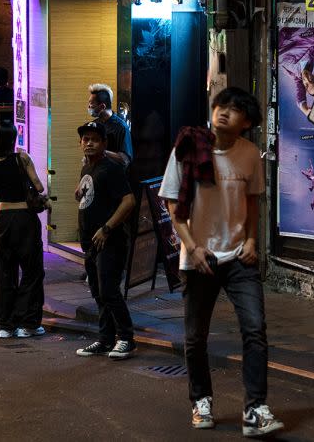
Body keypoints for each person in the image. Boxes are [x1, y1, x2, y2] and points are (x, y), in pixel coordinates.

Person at [159, 87, 283, 437]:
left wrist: (252, 240)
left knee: (255, 329)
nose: (224, 112)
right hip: (200, 257)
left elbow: (254, 201)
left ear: (247, 123)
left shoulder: (249, 155)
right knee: (196, 337)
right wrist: (193, 247)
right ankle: (201, 401)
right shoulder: (188, 148)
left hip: (238, 257)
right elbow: (172, 206)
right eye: (220, 106)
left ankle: (255, 410)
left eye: (234, 109)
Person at [74, 121, 137, 359]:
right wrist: (79, 193)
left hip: (110, 241)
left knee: (109, 290)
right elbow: (89, 195)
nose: (89, 143)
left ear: (104, 143)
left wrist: (107, 228)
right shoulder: (87, 168)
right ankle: (105, 338)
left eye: (94, 139)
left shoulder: (111, 167)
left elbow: (128, 201)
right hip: (91, 242)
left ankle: (126, 338)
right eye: (85, 139)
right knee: (98, 291)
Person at [0, 121, 47, 339]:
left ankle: (6, 326)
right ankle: (27, 322)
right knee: (32, 270)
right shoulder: (22, 158)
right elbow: (38, 187)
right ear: (12, 140)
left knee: (4, 271)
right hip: (24, 218)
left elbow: (0, 186)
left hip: (2, 220)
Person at [87, 84, 133, 166]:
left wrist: (102, 151)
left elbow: (125, 160)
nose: (89, 106)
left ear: (102, 106)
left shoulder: (121, 127)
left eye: (91, 103)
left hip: (113, 176)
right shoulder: (94, 125)